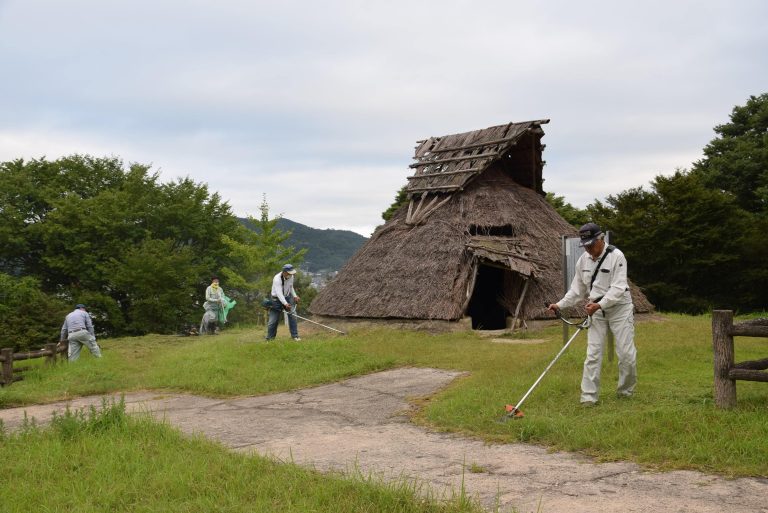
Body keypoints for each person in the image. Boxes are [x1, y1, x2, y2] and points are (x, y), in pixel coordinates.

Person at [547, 222, 637, 406]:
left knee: (626, 354)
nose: (588, 248)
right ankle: (588, 397)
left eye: (591, 244)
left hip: (620, 308)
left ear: (600, 238)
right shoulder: (583, 260)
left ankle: (625, 392)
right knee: (593, 354)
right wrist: (559, 305)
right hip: (595, 311)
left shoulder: (616, 256)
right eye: (585, 245)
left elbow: (619, 288)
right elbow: (577, 290)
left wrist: (600, 304)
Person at [266, 264, 301, 341]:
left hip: (287, 297)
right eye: (289, 273)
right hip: (276, 300)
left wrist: (295, 296)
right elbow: (279, 294)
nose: (291, 275)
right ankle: (270, 339)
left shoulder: (291, 276)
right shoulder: (277, 279)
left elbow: (291, 287)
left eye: (292, 273)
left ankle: (295, 336)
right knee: (273, 320)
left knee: (293, 316)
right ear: (284, 272)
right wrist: (285, 304)